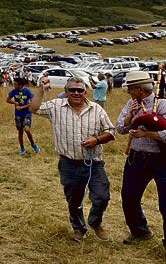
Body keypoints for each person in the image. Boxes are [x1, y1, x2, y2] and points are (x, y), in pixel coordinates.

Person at [29, 77, 116, 241]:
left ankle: (95, 222)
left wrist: (96, 140)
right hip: (69, 163)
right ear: (66, 91)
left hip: (94, 163)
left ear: (85, 92)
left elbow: (111, 132)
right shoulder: (56, 106)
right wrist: (41, 89)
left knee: (102, 196)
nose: (76, 93)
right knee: (74, 200)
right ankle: (79, 228)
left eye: (80, 90)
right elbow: (34, 108)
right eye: (72, 90)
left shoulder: (96, 109)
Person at [116, 70, 166, 260]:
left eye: (130, 88)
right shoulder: (132, 104)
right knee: (129, 198)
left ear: (139, 89)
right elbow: (120, 129)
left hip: (163, 161)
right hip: (136, 159)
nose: (128, 92)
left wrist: (147, 134)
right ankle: (140, 231)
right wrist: (130, 118)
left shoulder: (165, 105)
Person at [6, 78, 41, 156]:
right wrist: (15, 102)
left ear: (20, 85)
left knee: (27, 129)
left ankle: (33, 145)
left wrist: (22, 107)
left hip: (27, 113)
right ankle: (22, 148)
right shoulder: (14, 91)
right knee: (20, 132)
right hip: (18, 114)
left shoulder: (27, 91)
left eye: (15, 84)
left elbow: (32, 103)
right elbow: (8, 100)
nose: (14, 85)